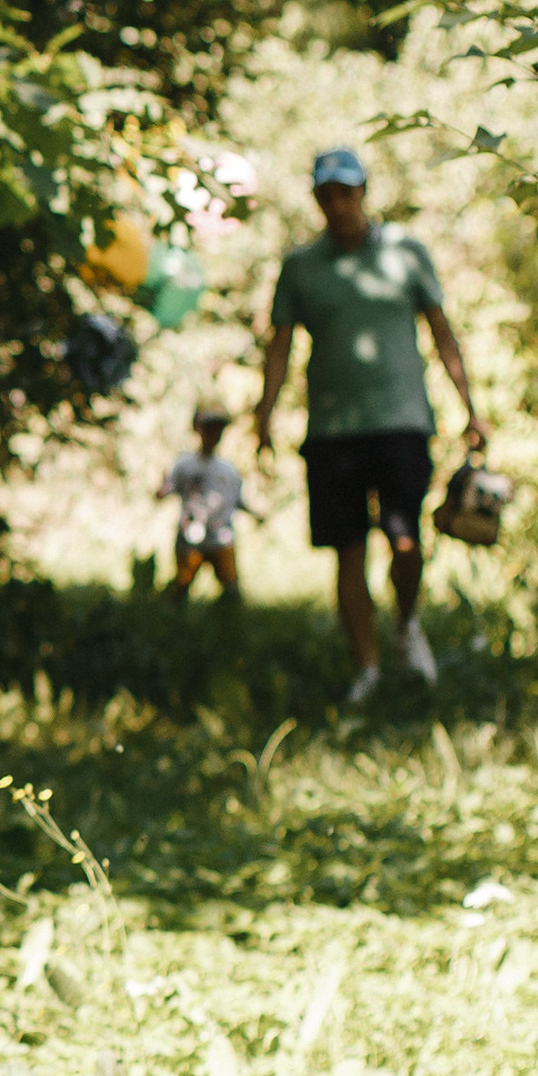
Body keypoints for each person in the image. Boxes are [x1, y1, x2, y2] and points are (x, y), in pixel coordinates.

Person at [254, 146, 488, 706]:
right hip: (331, 430)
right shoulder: (300, 267)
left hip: (402, 421)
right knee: (348, 551)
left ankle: (406, 624)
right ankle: (368, 670)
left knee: (406, 541)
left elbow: (441, 330)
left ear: (363, 192)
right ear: (317, 200)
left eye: (346, 192)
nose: (337, 204)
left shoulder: (406, 252)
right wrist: (263, 415)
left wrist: (470, 407)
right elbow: (279, 346)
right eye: (326, 195)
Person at [158, 401, 246, 598]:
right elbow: (167, 489)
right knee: (181, 587)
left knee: (232, 591)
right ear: (198, 428)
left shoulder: (228, 469)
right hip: (190, 537)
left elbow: (238, 499)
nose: (214, 434)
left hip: (221, 538)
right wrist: (161, 489)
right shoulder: (185, 464)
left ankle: (224, 616)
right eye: (209, 428)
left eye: (218, 429)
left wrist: (257, 513)